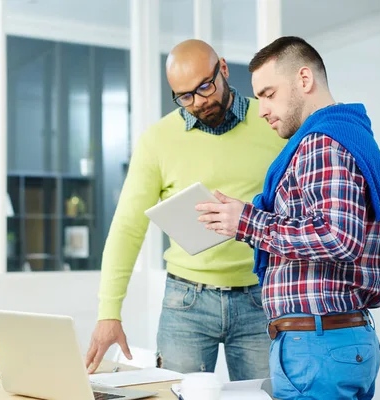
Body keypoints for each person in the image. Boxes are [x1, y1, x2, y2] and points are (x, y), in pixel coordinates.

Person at [196, 36, 380, 399]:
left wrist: (247, 223)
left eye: (269, 94)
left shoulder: (322, 141)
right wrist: (246, 216)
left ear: (304, 80)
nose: (261, 110)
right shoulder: (349, 135)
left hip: (317, 346)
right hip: (336, 340)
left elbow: (338, 236)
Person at [85, 39, 286, 379]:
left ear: (223, 68)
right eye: (185, 97)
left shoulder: (272, 123)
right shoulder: (157, 140)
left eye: (205, 88)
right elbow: (127, 228)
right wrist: (109, 313)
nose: (198, 103)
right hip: (186, 303)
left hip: (261, 296)